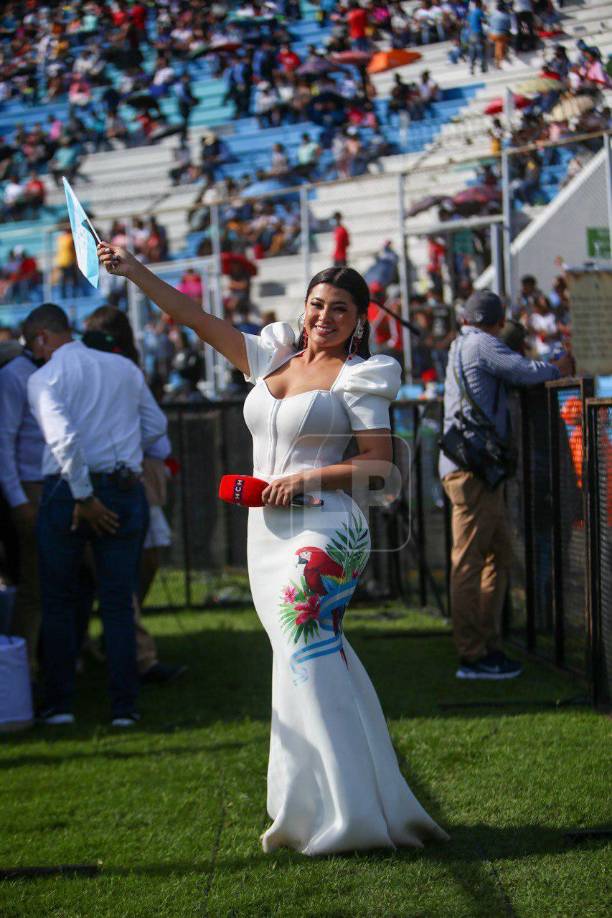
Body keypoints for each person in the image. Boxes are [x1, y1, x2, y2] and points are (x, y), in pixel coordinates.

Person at [97, 241, 449, 855]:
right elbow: (195, 319)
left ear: (360, 318)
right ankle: (327, 805)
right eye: (317, 304)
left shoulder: (360, 375)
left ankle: (354, 819)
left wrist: (307, 478)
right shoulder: (270, 354)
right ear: (304, 306)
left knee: (308, 657)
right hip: (265, 533)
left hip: (327, 529)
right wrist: (133, 271)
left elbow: (383, 471)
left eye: (340, 309)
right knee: (306, 662)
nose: (325, 317)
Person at [24, 303, 167, 726]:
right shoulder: (123, 368)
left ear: (43, 338)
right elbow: (156, 426)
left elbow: (62, 439)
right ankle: (124, 708)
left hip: (70, 493)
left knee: (60, 599)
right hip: (122, 487)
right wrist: (122, 452)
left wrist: (85, 497)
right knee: (119, 602)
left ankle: (61, 705)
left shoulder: (43, 376)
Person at [439, 290, 573, 680]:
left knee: (496, 554)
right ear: (497, 323)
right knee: (468, 561)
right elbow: (526, 371)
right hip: (474, 472)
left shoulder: (462, 343)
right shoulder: (483, 344)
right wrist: (558, 366)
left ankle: (487, 641)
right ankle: (472, 654)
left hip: (474, 469)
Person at [0, 338, 45, 672]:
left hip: (57, 487)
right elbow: (4, 442)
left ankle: (70, 653)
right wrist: (18, 500)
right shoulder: (14, 376)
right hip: (30, 491)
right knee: (34, 584)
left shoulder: (54, 369)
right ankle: (23, 668)